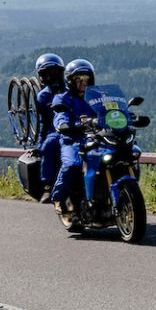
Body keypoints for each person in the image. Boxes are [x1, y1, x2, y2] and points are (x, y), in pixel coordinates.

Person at [49, 58, 99, 212]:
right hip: (72, 139)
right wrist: (66, 125)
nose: (84, 82)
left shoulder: (97, 95)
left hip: (97, 138)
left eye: (86, 78)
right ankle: (58, 197)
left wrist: (126, 116)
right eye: (79, 79)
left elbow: (110, 109)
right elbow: (60, 117)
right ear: (70, 81)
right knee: (72, 164)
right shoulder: (62, 98)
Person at [32, 53, 66, 201]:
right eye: (46, 73)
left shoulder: (72, 88)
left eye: (54, 72)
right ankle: (47, 186)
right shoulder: (43, 96)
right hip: (56, 131)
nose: (51, 76)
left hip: (80, 128)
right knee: (48, 146)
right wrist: (40, 145)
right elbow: (43, 122)